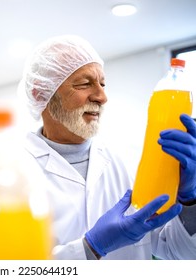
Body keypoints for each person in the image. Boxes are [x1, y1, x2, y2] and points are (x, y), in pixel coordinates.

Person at [19, 35, 196, 260]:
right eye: (84, 84)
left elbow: (179, 251)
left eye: (102, 84)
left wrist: (190, 202)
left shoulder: (129, 159)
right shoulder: (11, 172)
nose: (102, 97)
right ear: (41, 93)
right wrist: (89, 248)